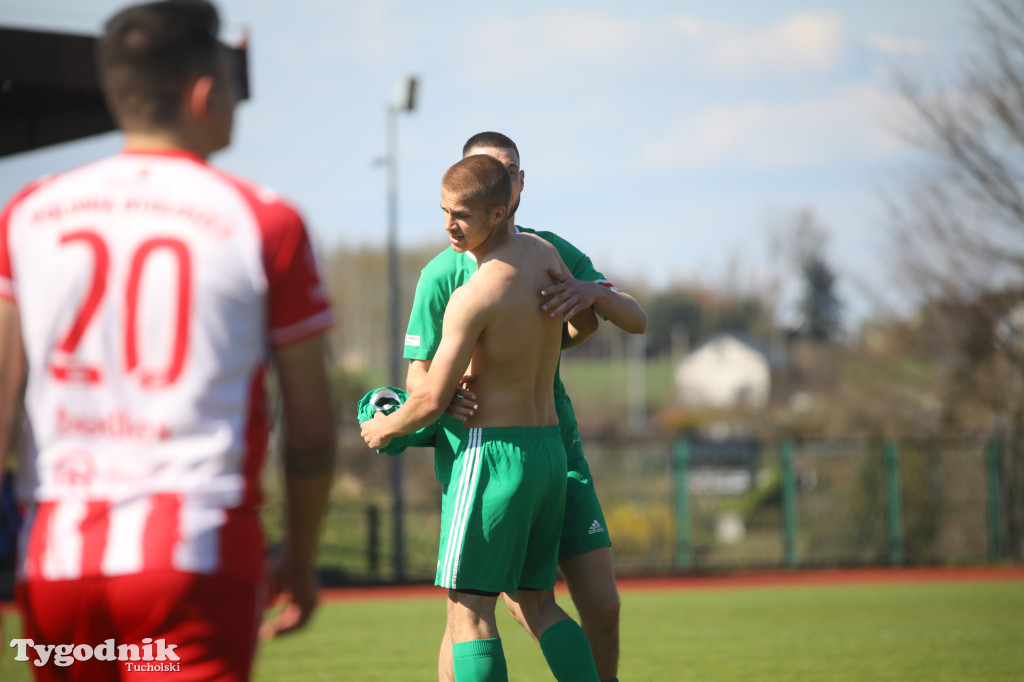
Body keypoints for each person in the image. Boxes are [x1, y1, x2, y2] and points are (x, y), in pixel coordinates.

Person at [0, 1, 336, 679]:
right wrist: (298, 561)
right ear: (204, 95)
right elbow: (311, 430)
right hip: (195, 553)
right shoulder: (266, 221)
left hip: (57, 558)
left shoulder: (28, 213)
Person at [404, 131, 646, 682]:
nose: (503, 181)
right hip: (481, 452)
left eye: (510, 171)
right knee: (476, 610)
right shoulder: (444, 273)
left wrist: (594, 293)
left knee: (590, 608)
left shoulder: (546, 251)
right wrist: (446, 395)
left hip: (548, 448)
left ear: (515, 185)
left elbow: (630, 318)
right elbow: (420, 374)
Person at [362, 154, 600, 682]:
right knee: (539, 604)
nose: (449, 225)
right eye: (444, 211)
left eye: (461, 215)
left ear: (499, 212)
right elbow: (585, 322)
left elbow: (426, 400)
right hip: (547, 452)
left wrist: (383, 428)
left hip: (494, 456)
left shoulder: (473, 296)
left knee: (468, 613)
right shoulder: (543, 255)